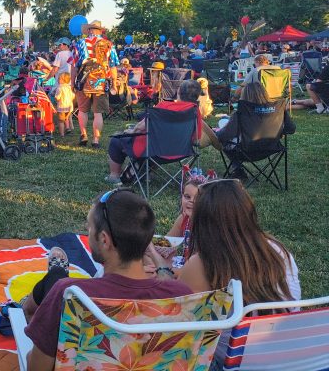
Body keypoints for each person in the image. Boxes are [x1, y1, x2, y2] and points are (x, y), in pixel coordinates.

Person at [22, 189, 192, 371]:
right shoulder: (183, 297)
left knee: (50, 285)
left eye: (89, 228)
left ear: (104, 240)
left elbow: (36, 368)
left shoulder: (70, 294)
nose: (88, 233)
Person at [147, 179, 300, 308]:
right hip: (287, 332)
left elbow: (171, 306)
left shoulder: (203, 263)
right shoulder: (277, 251)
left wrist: (162, 266)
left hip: (232, 335)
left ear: (204, 221)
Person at [105, 79, 222, 184]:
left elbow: (140, 127)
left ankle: (114, 176)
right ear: (197, 96)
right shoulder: (195, 111)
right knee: (154, 141)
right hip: (181, 152)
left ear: (179, 91)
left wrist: (131, 132)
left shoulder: (163, 106)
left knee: (116, 140)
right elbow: (196, 138)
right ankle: (144, 173)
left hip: (154, 151)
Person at [216, 81, 296, 178]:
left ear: (244, 96)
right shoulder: (277, 109)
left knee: (223, 135)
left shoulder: (242, 112)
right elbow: (291, 129)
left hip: (245, 151)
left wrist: (216, 133)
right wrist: (278, 131)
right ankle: (238, 170)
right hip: (271, 148)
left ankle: (238, 170)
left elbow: (226, 135)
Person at [71, 20, 119, 148]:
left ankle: (84, 134)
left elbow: (74, 66)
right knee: (98, 113)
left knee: (82, 110)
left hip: (83, 81)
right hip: (102, 83)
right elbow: (113, 67)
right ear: (100, 31)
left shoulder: (80, 43)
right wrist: (114, 84)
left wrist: (72, 83)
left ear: (89, 30)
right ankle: (96, 140)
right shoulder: (109, 45)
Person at [52, 71, 74, 136]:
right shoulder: (69, 87)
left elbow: (57, 97)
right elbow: (73, 96)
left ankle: (62, 134)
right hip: (69, 106)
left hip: (62, 106)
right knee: (66, 118)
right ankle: (67, 128)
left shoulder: (59, 88)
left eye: (59, 79)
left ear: (62, 80)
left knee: (61, 120)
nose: (58, 80)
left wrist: (55, 97)